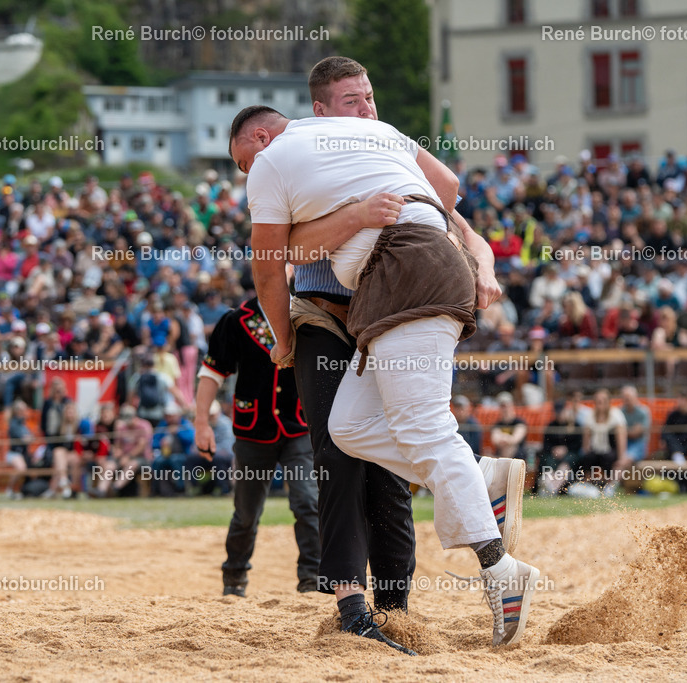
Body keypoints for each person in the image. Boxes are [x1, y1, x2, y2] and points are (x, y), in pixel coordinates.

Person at [242, 55, 524, 653]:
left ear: (262, 140)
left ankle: (499, 568)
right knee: (348, 431)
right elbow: (447, 191)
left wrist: (282, 340)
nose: (365, 107)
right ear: (320, 110)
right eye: (355, 99)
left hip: (402, 276)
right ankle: (479, 479)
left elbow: (269, 269)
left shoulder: (284, 159)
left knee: (423, 432)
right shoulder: (379, 136)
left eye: (367, 97)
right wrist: (356, 212)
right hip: (385, 287)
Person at [194, 296, 320, 596]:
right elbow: (212, 372)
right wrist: (201, 423)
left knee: (308, 502)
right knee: (246, 513)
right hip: (252, 431)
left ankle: (312, 578)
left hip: (298, 427)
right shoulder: (235, 320)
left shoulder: (308, 311)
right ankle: (234, 577)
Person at [580, 389, 627, 489]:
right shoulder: (590, 416)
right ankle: (587, 486)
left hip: (610, 450)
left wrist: (621, 458)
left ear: (608, 402)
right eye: (598, 401)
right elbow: (586, 439)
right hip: (595, 450)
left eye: (603, 401)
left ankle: (609, 485)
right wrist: (586, 453)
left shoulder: (616, 415)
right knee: (588, 459)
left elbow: (621, 439)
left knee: (609, 459)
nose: (600, 404)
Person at [661, 389, 687, 463]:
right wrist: (662, 439)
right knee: (670, 438)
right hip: (676, 443)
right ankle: (678, 456)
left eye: (681, 399)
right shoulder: (673, 415)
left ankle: (679, 456)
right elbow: (666, 430)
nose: (678, 401)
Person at [618, 385, 651, 466]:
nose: (627, 400)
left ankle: (616, 474)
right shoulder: (619, 411)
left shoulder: (643, 411)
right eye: (625, 398)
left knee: (623, 461)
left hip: (639, 444)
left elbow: (637, 433)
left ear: (635, 397)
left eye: (629, 398)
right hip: (623, 443)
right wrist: (631, 431)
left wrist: (623, 431)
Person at [489, 392, 528, 460]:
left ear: (512, 405)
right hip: (501, 454)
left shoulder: (519, 422)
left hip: (518, 455)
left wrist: (504, 438)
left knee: (510, 447)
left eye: (506, 406)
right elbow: (495, 440)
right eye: (502, 406)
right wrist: (508, 439)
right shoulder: (497, 424)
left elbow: (516, 439)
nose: (505, 409)